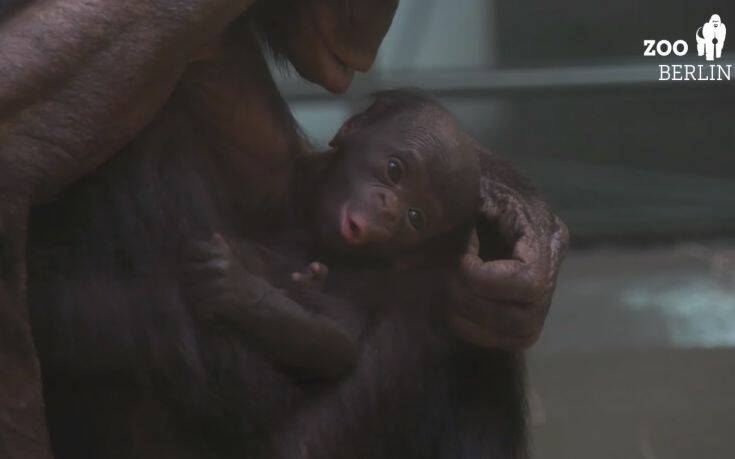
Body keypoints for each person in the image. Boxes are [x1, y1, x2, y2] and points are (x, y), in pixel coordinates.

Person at [0, 1, 568, 456]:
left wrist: (487, 193)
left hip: (212, 335)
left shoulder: (216, 44)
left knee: (441, 269)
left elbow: (323, 180)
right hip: (123, 349)